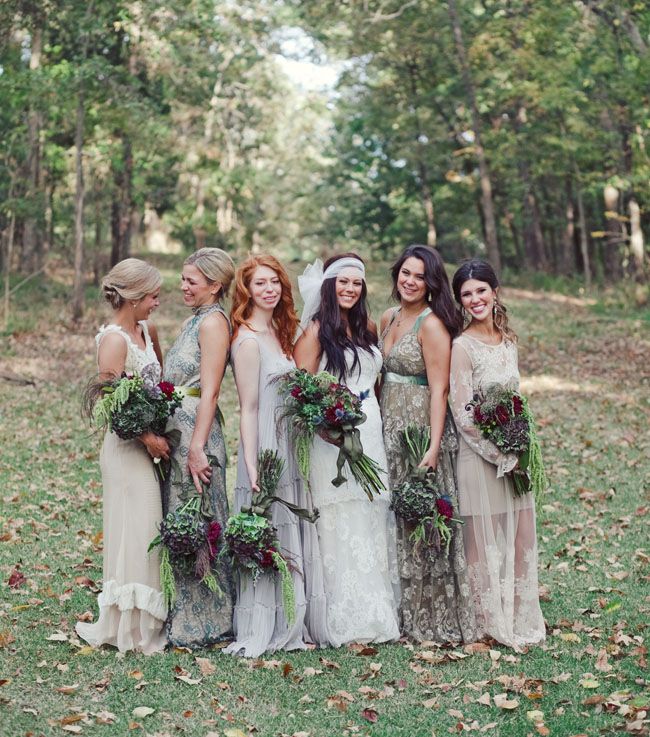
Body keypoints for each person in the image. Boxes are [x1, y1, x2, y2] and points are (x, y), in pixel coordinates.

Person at [224, 254, 329, 658]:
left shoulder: (281, 333)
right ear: (246, 290)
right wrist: (252, 464)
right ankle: (266, 622)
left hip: (292, 440)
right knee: (273, 526)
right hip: (266, 442)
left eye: (275, 283)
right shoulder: (248, 339)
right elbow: (248, 408)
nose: (269, 290)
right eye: (260, 283)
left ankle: (295, 619)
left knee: (294, 523)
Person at [294, 253, 400, 647]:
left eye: (357, 283)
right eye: (343, 282)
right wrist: (328, 426)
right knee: (340, 515)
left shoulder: (369, 328)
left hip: (369, 430)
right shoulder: (315, 331)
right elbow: (301, 390)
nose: (351, 289)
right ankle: (340, 615)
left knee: (372, 511)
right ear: (329, 285)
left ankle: (378, 611)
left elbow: (373, 384)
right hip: (332, 438)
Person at [379, 245, 476, 643]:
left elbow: (440, 391)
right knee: (395, 517)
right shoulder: (387, 318)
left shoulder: (432, 325)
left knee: (422, 519)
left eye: (419, 276)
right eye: (405, 272)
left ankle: (430, 612)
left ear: (430, 283)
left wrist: (433, 447)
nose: (410, 281)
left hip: (420, 429)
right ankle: (398, 609)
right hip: (387, 426)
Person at [449, 259, 545, 648]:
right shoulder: (462, 347)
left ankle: (519, 616)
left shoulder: (508, 342)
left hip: (515, 455)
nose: (475, 299)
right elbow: (462, 413)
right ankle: (489, 623)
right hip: (481, 457)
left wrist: (522, 448)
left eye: (480, 291)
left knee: (519, 537)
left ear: (494, 291)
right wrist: (499, 455)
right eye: (466, 294)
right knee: (483, 543)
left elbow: (516, 401)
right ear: (460, 301)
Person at [77, 258, 168, 654]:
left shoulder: (148, 330)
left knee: (148, 529)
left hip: (150, 445)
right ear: (132, 297)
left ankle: (148, 619)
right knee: (136, 530)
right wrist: (147, 437)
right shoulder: (114, 340)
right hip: (126, 449)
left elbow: (159, 384)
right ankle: (129, 628)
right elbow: (110, 403)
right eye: (152, 295)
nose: (157, 302)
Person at [162, 247, 235, 648]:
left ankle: (211, 619)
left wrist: (198, 446)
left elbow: (210, 392)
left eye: (192, 280)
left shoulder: (213, 324)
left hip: (197, 434)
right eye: (184, 278)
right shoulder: (196, 320)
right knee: (183, 521)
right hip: (179, 431)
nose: (183, 285)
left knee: (201, 521)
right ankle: (185, 612)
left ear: (214, 285)